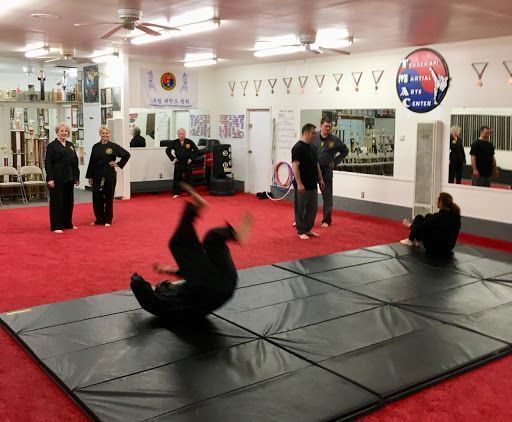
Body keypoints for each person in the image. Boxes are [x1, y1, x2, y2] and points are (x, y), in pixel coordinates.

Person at [130, 183, 254, 320]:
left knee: (211, 239)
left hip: (224, 282)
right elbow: (151, 302)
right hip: (215, 290)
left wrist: (167, 270)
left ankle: (234, 235)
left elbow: (191, 273)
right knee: (178, 244)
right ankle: (193, 213)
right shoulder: (170, 303)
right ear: (162, 292)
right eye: (164, 284)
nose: (166, 282)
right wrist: (136, 282)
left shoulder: (189, 288)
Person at [86, 126, 130, 226]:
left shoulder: (113, 146)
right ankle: (99, 219)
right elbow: (92, 162)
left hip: (109, 175)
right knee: (97, 197)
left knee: (108, 197)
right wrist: (90, 176)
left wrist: (118, 164)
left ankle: (108, 220)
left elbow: (126, 154)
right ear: (100, 134)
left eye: (106, 133)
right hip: (97, 175)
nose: (105, 135)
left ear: (109, 134)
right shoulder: (95, 147)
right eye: (103, 133)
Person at [312, 117, 349, 227]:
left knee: (327, 197)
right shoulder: (313, 137)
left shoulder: (334, 140)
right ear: (320, 126)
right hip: (313, 170)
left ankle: (326, 221)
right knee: (309, 196)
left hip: (326, 170)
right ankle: (304, 220)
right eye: (325, 126)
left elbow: (345, 151)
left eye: (329, 126)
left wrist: (335, 161)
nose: (328, 128)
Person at [292, 123, 325, 240]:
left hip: (312, 183)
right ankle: (301, 231)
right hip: (302, 184)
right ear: (305, 133)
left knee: (312, 208)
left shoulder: (313, 147)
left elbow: (317, 165)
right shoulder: (297, 148)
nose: (314, 135)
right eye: (312, 133)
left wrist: (320, 179)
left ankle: (308, 229)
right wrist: (299, 183)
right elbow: (295, 166)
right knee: (301, 208)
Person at [45, 123, 80, 233]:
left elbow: (75, 161)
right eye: (62, 131)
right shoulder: (52, 146)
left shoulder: (70, 145)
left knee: (69, 201)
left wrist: (76, 176)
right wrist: (50, 178)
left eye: (66, 131)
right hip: (57, 176)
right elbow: (48, 163)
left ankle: (67, 223)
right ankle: (57, 226)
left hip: (69, 176)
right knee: (57, 202)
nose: (64, 133)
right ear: (57, 132)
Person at [166, 128, 199, 198]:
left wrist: (191, 159)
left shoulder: (189, 142)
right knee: (177, 178)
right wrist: (173, 158)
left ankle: (191, 193)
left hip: (187, 163)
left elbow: (196, 150)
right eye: (180, 134)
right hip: (178, 163)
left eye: (183, 134)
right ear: (178, 135)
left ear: (185, 134)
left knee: (189, 178)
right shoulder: (174, 142)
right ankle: (176, 193)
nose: (181, 135)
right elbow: (167, 150)